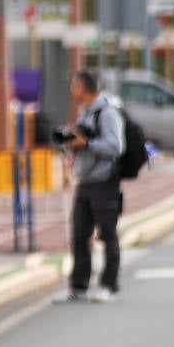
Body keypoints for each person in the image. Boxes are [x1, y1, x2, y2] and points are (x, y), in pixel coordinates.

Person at [56, 69, 126, 304]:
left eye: (74, 86)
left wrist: (88, 143)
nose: (72, 91)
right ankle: (78, 287)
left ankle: (109, 285)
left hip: (104, 182)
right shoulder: (85, 112)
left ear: (83, 88)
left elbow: (116, 147)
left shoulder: (107, 113)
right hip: (85, 181)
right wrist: (71, 143)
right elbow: (83, 142)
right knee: (79, 235)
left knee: (107, 234)